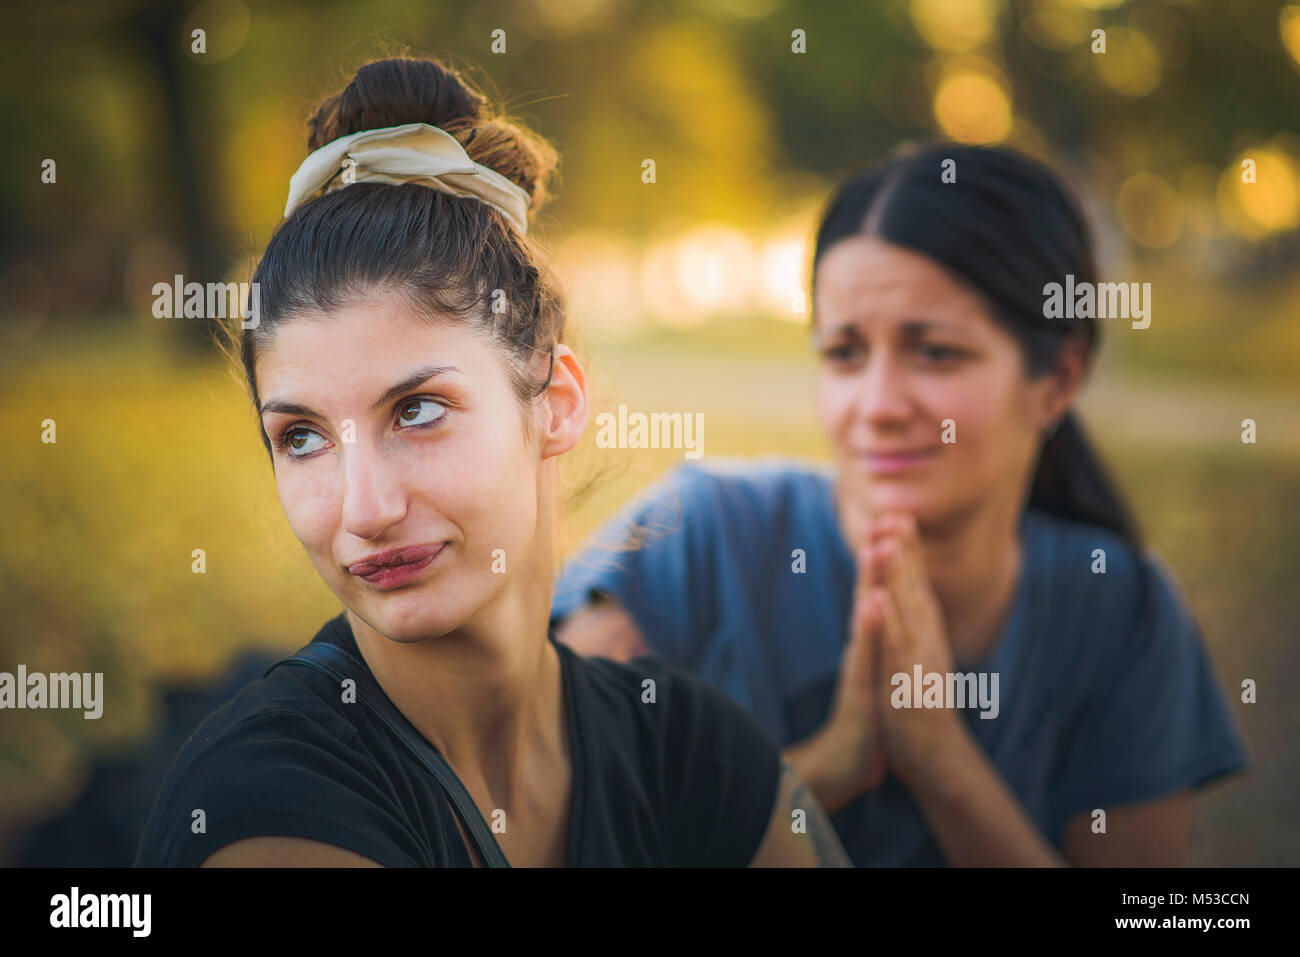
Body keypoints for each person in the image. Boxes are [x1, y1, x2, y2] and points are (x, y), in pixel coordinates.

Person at [134, 55, 850, 868]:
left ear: (555, 400)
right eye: (302, 437)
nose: (363, 510)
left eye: (418, 411)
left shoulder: (694, 754)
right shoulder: (269, 804)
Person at [553, 142, 1249, 866]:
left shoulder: (1121, 608)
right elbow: (556, 839)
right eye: (845, 353)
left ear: (1059, 377)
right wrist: (828, 764)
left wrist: (942, 761)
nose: (878, 406)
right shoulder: (690, 544)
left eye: (936, 352)